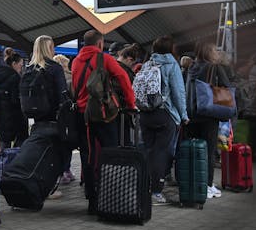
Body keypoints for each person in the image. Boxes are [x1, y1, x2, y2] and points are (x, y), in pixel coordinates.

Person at [71, 30, 135, 213]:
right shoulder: (104, 59)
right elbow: (123, 78)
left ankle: (92, 200)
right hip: (104, 115)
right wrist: (130, 104)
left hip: (83, 116)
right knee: (110, 153)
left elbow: (74, 88)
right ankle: (111, 197)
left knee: (88, 157)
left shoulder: (76, 61)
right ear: (100, 44)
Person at [139, 36, 189, 205]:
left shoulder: (148, 63)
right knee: (161, 152)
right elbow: (178, 93)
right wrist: (183, 115)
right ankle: (156, 192)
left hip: (145, 113)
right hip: (164, 114)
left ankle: (143, 188)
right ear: (172, 49)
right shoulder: (171, 65)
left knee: (148, 150)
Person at [26, 35, 70, 199]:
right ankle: (50, 188)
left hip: (37, 117)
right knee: (54, 152)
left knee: (40, 151)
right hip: (54, 117)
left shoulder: (30, 68)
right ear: (48, 48)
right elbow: (62, 93)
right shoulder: (55, 67)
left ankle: (37, 183)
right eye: (52, 47)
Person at [185, 41, 230, 199]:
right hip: (208, 114)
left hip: (192, 114)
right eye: (214, 50)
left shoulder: (191, 67)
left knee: (195, 150)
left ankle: (195, 182)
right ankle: (208, 185)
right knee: (209, 150)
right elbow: (226, 86)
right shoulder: (214, 67)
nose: (217, 53)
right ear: (209, 52)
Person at [0, 48, 28, 150]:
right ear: (14, 64)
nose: (21, 66)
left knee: (2, 148)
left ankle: (1, 165)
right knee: (17, 150)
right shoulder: (15, 78)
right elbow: (16, 100)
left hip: (0, 118)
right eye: (20, 64)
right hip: (13, 118)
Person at [53, 54, 76, 185]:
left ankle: (62, 172)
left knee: (60, 144)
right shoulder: (71, 77)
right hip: (70, 115)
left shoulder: (56, 78)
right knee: (68, 143)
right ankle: (67, 170)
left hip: (59, 115)